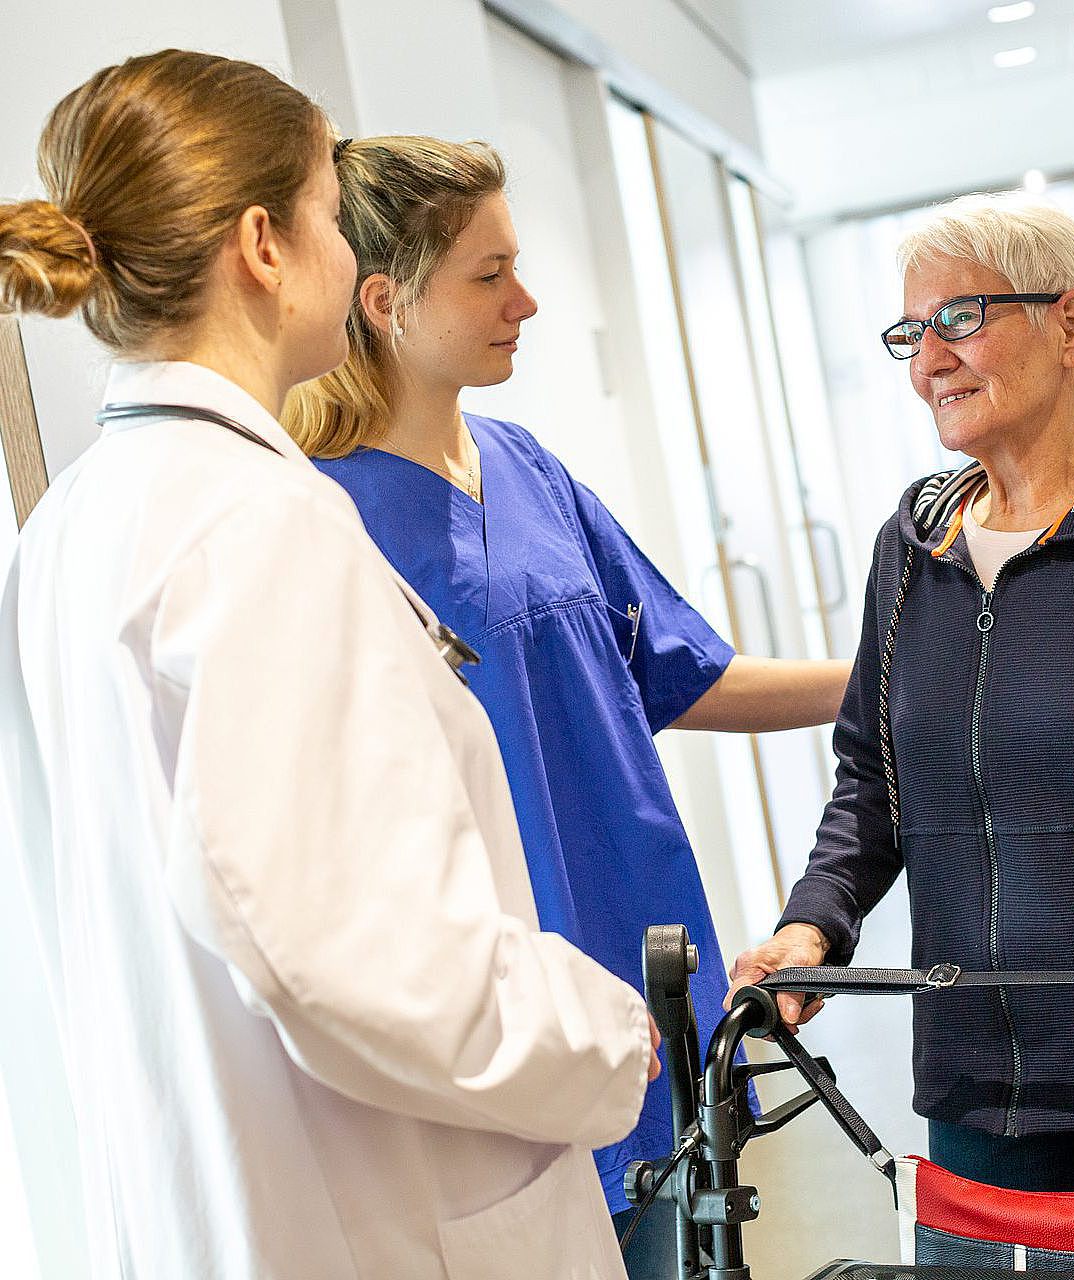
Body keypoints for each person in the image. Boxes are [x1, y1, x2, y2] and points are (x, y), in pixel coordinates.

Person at [0, 50, 655, 1280]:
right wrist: (606, 1040)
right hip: (377, 1220)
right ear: (262, 243)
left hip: (228, 1205)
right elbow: (340, 944)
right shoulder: (258, 521)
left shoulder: (73, 528)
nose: (350, 259)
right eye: (325, 214)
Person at [281, 135, 851, 1274]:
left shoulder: (528, 467)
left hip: (647, 970)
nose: (524, 300)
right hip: (510, 1020)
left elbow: (677, 677)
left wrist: (890, 670)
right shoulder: (317, 518)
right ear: (386, 300)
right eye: (488, 276)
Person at [728, 193, 1074, 1276]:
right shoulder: (912, 541)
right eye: (908, 331)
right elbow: (870, 781)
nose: (926, 358)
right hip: (981, 1084)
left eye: (960, 317)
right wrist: (810, 927)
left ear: (1071, 324)